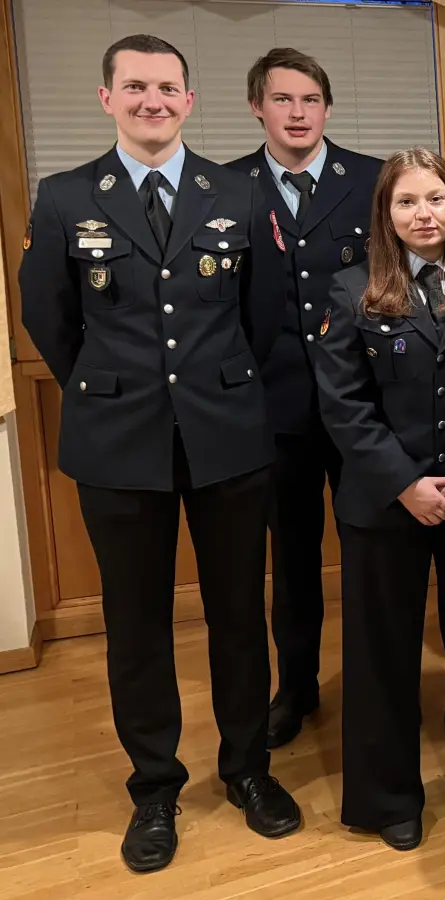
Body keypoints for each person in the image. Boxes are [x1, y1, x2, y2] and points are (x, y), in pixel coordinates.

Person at [19, 33, 301, 873]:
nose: (153, 100)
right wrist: (112, 385)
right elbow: (49, 319)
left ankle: (248, 769)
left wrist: (207, 386)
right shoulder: (67, 195)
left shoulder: (239, 193)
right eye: (135, 87)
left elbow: (262, 317)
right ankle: (155, 786)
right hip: (117, 444)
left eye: (168, 87)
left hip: (227, 437)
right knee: (135, 625)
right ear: (107, 98)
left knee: (238, 618)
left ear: (189, 98)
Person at [310, 148, 445, 852]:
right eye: (407, 202)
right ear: (386, 214)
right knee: (381, 651)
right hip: (385, 502)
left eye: (435, 199)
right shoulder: (351, 292)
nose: (423, 214)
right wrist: (405, 483)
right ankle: (387, 796)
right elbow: (343, 406)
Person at [225, 46, 383, 750]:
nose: (297, 113)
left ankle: (377, 684)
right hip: (275, 411)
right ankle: (295, 687)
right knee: (291, 561)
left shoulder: (374, 181)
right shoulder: (225, 190)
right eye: (282, 100)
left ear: (327, 108)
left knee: (372, 553)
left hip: (365, 409)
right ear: (257, 106)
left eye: (310, 100)